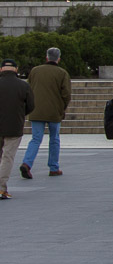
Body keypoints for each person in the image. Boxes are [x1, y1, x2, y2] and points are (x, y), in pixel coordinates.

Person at [20, 47, 71, 179]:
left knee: (36, 139)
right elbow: (66, 94)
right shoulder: (62, 73)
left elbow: (28, 89)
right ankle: (53, 167)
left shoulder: (35, 71)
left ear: (46, 57)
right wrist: (62, 108)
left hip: (36, 110)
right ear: (58, 59)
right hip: (54, 112)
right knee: (54, 139)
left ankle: (27, 163)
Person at [0, 58, 35, 200]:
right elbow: (31, 106)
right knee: (7, 157)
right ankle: (1, 188)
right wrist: (20, 114)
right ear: (16, 69)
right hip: (14, 126)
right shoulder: (23, 86)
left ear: (1, 69)